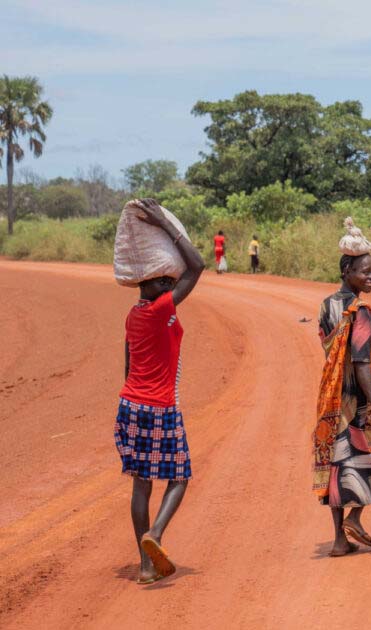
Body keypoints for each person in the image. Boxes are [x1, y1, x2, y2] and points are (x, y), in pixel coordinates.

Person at [114, 198, 205, 584]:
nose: (170, 283)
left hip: (129, 406)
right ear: (151, 284)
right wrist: (166, 226)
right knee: (180, 477)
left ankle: (146, 565)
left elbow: (128, 367)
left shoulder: (135, 314)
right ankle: (155, 534)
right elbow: (196, 265)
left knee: (141, 484)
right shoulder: (160, 308)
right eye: (164, 280)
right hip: (160, 408)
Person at [313, 219, 371, 557]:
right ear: (348, 271)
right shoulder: (360, 311)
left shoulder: (327, 305)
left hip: (331, 398)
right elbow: (362, 362)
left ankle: (338, 539)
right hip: (356, 399)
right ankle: (356, 517)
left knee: (338, 465)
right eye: (365, 271)